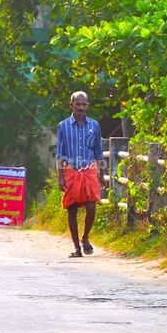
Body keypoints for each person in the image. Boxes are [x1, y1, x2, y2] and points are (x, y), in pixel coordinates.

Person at [56, 91, 104, 257]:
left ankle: (85, 237)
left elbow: (99, 152)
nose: (81, 107)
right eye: (78, 104)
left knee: (91, 206)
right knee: (72, 209)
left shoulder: (94, 126)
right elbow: (60, 153)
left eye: (84, 104)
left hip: (89, 171)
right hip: (71, 171)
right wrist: (60, 177)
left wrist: (101, 175)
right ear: (72, 105)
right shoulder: (63, 126)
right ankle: (77, 247)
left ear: (87, 105)